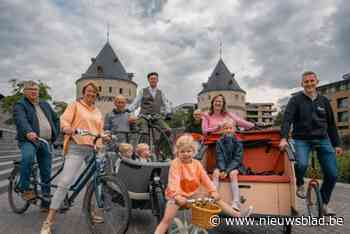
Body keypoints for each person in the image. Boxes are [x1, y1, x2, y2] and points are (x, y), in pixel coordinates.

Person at [40, 82, 111, 234]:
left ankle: (90, 211)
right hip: (76, 147)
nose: (91, 94)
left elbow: (100, 130)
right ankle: (49, 220)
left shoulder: (98, 112)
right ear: (84, 92)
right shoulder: (75, 105)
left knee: (96, 182)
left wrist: (104, 137)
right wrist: (66, 127)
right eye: (89, 91)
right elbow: (64, 119)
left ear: (96, 95)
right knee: (65, 182)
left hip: (93, 149)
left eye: (94, 92)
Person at [154, 135, 253, 234]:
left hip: (192, 194)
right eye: (182, 152)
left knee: (216, 198)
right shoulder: (176, 164)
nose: (186, 154)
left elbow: (205, 179)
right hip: (176, 196)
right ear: (177, 153)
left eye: (188, 151)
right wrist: (176, 195)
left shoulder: (197, 164)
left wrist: (213, 191)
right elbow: (173, 181)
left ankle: (237, 215)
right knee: (166, 221)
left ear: (193, 151)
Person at [279, 71, 343, 216]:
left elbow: (331, 125)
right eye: (306, 81)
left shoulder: (324, 101)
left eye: (311, 81)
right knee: (301, 164)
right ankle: (300, 183)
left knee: (332, 174)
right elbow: (287, 120)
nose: (309, 84)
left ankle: (324, 203)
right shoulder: (295, 100)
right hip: (301, 139)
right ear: (302, 84)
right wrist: (283, 138)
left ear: (317, 82)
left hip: (322, 139)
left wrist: (337, 144)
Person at [13, 81, 60, 211]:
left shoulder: (44, 104)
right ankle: (25, 188)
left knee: (46, 171)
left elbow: (56, 118)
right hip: (29, 140)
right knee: (28, 157)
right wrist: (28, 132)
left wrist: (55, 133)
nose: (34, 91)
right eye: (30, 89)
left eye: (36, 89)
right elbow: (21, 120)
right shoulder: (20, 105)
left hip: (45, 141)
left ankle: (45, 201)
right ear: (25, 92)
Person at [212, 119, 247, 212]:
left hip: (236, 166)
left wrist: (227, 171)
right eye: (226, 128)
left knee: (232, 174)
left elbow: (237, 159)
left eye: (230, 128)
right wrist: (223, 169)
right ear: (222, 130)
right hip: (222, 165)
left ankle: (236, 201)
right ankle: (213, 198)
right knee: (215, 173)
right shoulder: (219, 141)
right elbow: (219, 157)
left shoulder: (238, 141)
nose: (228, 130)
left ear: (234, 129)